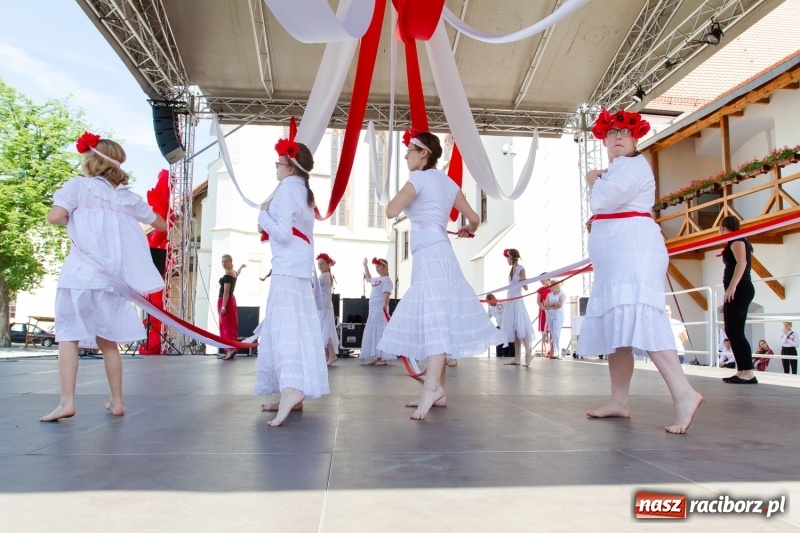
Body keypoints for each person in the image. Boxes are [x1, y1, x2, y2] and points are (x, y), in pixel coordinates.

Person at [578, 108, 702, 434]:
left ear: (635, 136)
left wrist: (592, 177)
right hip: (619, 255)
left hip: (634, 254)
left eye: (624, 132)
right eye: (612, 133)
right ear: (605, 139)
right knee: (618, 330)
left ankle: (684, 393)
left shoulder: (630, 167)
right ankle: (619, 400)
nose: (617, 137)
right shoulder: (620, 168)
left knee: (642, 319)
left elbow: (601, 200)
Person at [41, 132, 167, 422]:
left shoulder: (78, 188)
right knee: (108, 341)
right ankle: (118, 401)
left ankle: (67, 402)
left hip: (80, 275)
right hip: (112, 280)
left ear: (91, 161)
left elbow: (55, 216)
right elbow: (159, 223)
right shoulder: (129, 198)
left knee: (68, 337)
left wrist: (78, 220)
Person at [378, 129, 504, 419]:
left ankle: (431, 387)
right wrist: (467, 229)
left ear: (425, 153)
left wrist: (406, 200)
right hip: (442, 252)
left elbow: (390, 211)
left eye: (410, 149)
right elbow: (473, 218)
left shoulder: (418, 178)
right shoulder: (448, 183)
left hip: (429, 254)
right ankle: (440, 391)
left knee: (434, 317)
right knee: (440, 316)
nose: (406, 154)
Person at [254, 122, 329, 426]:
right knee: (296, 327)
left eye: (279, 162)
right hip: (298, 269)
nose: (276, 167)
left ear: (289, 165)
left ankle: (292, 389)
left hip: (287, 270)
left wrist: (262, 216)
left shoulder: (288, 189)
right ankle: (291, 390)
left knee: (284, 327)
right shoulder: (303, 192)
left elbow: (283, 234)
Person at [719, 215, 757, 385]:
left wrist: (733, 286)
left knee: (737, 331)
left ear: (723, 227)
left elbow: (741, 262)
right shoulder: (734, 241)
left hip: (740, 289)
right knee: (731, 330)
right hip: (734, 291)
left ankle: (748, 371)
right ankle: (741, 369)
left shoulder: (737, 240)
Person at [500, 249, 535, 366]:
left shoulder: (521, 269)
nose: (507, 260)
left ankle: (528, 354)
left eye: (508, 258)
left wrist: (522, 281)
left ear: (512, 257)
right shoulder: (511, 270)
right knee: (515, 330)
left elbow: (526, 287)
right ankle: (517, 358)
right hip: (510, 302)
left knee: (522, 327)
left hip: (517, 302)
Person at [360, 257, 394, 366]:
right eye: (376, 267)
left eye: (379, 266)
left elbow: (387, 294)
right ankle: (377, 356)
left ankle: (382, 357)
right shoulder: (377, 279)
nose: (377, 269)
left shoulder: (387, 280)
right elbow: (368, 278)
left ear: (385, 267)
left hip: (380, 310)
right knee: (374, 331)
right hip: (373, 310)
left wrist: (384, 305)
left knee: (380, 332)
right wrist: (365, 266)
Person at [218, 255, 246, 360]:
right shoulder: (233, 272)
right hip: (230, 300)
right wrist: (241, 267)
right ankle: (230, 348)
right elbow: (237, 274)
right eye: (222, 262)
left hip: (225, 300)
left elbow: (226, 291)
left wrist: (223, 306)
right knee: (230, 324)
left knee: (225, 325)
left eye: (226, 261)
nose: (224, 263)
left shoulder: (228, 274)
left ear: (230, 262)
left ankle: (230, 349)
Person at [316, 253, 340, 366]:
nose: (320, 266)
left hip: (324, 307)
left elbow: (313, 284)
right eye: (319, 264)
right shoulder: (325, 275)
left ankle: (332, 355)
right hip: (324, 306)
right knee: (325, 330)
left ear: (327, 265)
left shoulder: (324, 276)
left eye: (322, 264)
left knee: (326, 330)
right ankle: (328, 355)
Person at [543, 281, 567, 359]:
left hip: (558, 317)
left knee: (556, 334)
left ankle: (559, 353)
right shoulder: (549, 295)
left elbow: (559, 305)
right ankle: (555, 352)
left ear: (556, 286)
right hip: (550, 316)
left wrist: (550, 306)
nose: (550, 288)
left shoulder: (562, 294)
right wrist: (553, 304)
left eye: (551, 286)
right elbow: (545, 304)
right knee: (553, 335)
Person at [487, 293, 513, 358]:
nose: (489, 304)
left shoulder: (503, 302)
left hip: (508, 328)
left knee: (510, 347)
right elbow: (487, 318)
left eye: (489, 302)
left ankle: (512, 359)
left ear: (492, 299)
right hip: (499, 329)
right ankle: (499, 360)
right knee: (499, 348)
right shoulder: (491, 309)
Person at [535, 276, 551, 354]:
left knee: (551, 330)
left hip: (552, 311)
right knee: (544, 331)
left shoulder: (553, 288)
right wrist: (543, 307)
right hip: (543, 311)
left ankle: (552, 350)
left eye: (542, 279)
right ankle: (546, 350)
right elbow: (538, 301)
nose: (540, 281)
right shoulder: (540, 290)